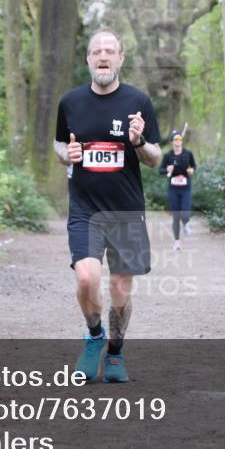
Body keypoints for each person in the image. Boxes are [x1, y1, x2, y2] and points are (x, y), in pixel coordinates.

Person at [54, 28, 161, 383]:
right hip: (85, 209)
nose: (103, 56)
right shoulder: (70, 102)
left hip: (126, 211)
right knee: (87, 278)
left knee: (119, 287)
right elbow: (58, 145)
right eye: (97, 51)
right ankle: (94, 335)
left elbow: (155, 158)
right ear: (88, 58)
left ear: (120, 58)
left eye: (110, 51)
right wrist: (66, 154)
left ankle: (115, 352)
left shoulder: (138, 102)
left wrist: (139, 142)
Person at [160, 131, 196, 250]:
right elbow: (161, 170)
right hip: (173, 189)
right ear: (172, 142)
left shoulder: (188, 154)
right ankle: (177, 242)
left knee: (185, 214)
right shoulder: (168, 156)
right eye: (175, 139)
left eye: (179, 139)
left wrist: (191, 171)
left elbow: (193, 166)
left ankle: (185, 223)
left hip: (185, 189)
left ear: (181, 141)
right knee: (176, 216)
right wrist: (167, 169)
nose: (177, 141)